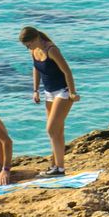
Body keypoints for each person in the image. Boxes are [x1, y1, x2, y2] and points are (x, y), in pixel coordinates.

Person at [19, 23, 78, 175]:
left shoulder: (51, 50)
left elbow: (67, 72)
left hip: (63, 92)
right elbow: (36, 69)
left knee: (51, 129)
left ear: (36, 38)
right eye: (26, 46)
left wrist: (72, 92)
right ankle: (56, 166)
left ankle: (60, 168)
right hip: (49, 93)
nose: (28, 48)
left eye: (29, 44)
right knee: (56, 132)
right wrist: (35, 90)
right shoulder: (34, 51)